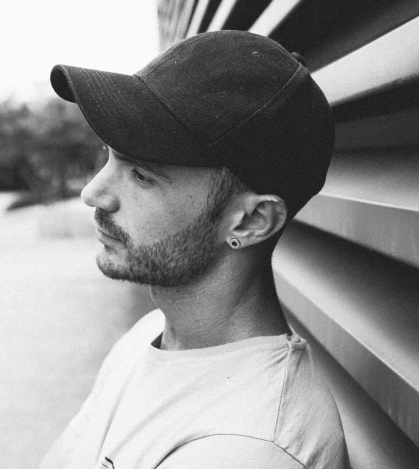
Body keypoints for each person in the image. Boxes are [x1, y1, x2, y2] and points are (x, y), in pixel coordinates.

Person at [41, 30, 347, 468]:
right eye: (108, 157)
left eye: (143, 175)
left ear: (251, 221)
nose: (94, 193)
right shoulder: (146, 339)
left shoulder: (249, 444)